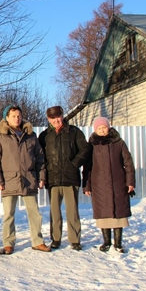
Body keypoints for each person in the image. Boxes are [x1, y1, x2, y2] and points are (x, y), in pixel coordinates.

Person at [0, 105, 50, 255]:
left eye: (19, 116)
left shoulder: (30, 135)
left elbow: (40, 158)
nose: (17, 118)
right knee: (8, 214)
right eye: (13, 116)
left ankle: (38, 241)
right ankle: (8, 243)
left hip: (29, 179)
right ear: (7, 118)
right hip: (8, 181)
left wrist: (41, 176)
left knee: (34, 212)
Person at [38, 106, 90, 251]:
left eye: (58, 117)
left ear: (62, 116)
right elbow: (39, 156)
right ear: (48, 119)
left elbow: (85, 149)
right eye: (53, 118)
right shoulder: (44, 136)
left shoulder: (74, 132)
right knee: (54, 210)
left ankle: (75, 239)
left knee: (72, 210)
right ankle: (55, 239)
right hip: (52, 178)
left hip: (70, 177)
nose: (56, 120)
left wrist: (74, 164)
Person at [83, 117, 135, 253]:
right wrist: (86, 185)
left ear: (109, 127)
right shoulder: (92, 145)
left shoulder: (119, 143)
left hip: (118, 182)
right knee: (103, 214)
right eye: (99, 128)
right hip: (99, 184)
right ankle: (106, 242)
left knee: (119, 214)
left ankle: (118, 243)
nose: (102, 130)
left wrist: (130, 181)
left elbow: (128, 162)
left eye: (104, 127)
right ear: (95, 130)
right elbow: (87, 167)